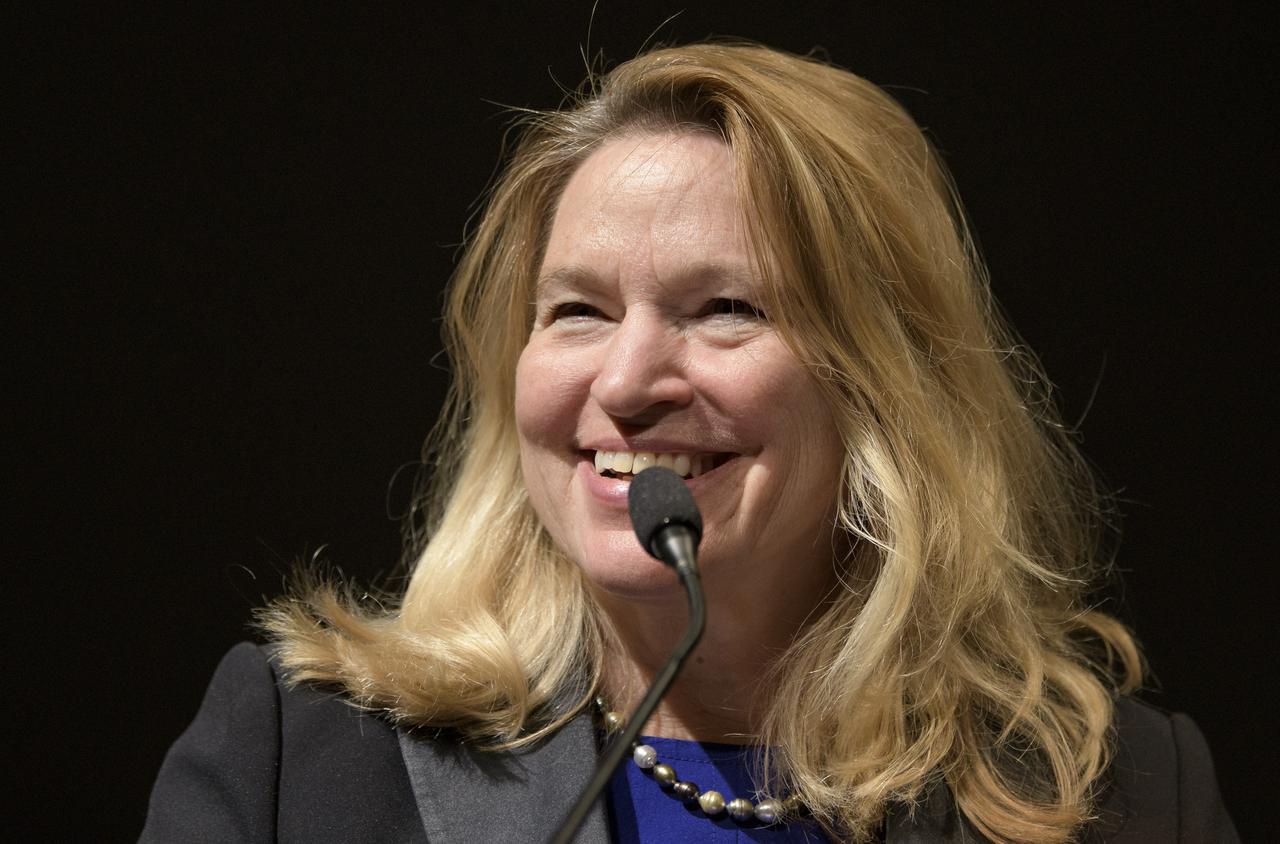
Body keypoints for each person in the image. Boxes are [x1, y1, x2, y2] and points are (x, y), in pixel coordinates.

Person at [141, 42, 1238, 843]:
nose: (623, 382)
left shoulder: (1130, 797)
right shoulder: (301, 758)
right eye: (575, 309)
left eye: (722, 307)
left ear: (880, 381)